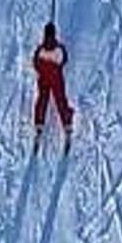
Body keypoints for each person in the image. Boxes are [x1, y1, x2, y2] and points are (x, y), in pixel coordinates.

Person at [32, 22, 76, 151]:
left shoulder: (40, 50)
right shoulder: (59, 49)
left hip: (44, 79)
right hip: (56, 79)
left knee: (42, 100)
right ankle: (67, 124)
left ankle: (39, 124)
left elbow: (35, 64)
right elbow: (64, 60)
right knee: (61, 100)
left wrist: (43, 69)